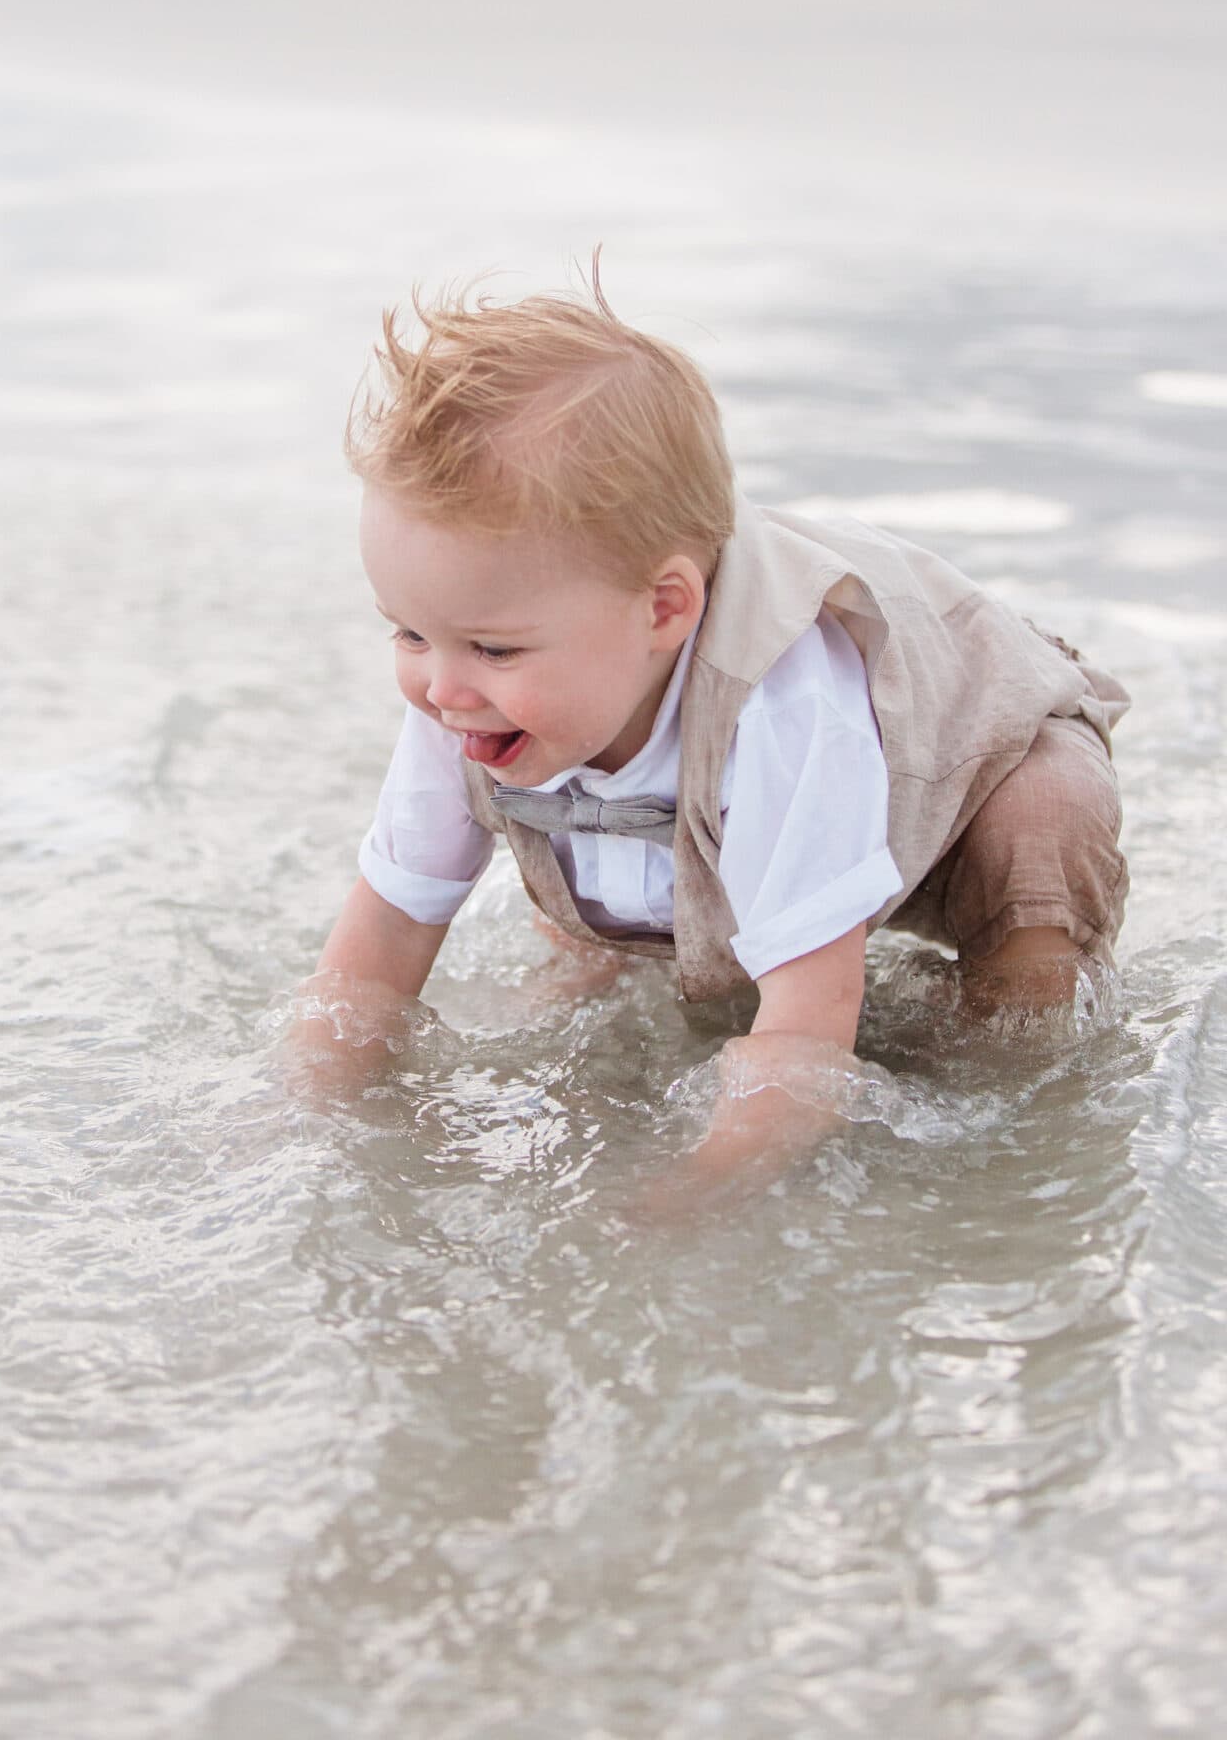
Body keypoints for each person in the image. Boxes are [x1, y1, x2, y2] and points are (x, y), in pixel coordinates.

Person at [292, 268, 1129, 1187]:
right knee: (580, 827)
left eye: (492, 648)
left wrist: (697, 1192)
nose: (439, 688)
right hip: (689, 779)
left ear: (663, 609)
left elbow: (809, 1028)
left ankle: (1016, 1085)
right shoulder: (470, 680)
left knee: (1034, 884)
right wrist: (306, 1121)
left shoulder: (784, 704)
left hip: (965, 771)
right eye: (407, 632)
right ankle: (609, 947)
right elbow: (377, 947)